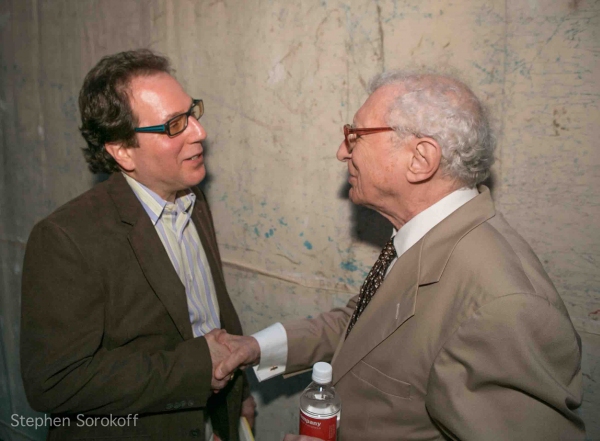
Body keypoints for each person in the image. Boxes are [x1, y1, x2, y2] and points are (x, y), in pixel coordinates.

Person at [215, 71, 586, 440]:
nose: (342, 151)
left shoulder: (505, 305)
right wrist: (255, 347)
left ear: (420, 159)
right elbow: (360, 326)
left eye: (355, 136)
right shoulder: (424, 236)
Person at [20, 49, 254, 441]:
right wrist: (196, 369)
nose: (199, 132)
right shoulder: (65, 239)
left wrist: (238, 396)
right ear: (122, 150)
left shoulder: (192, 198)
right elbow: (53, 382)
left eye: (192, 113)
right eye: (174, 125)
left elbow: (210, 313)